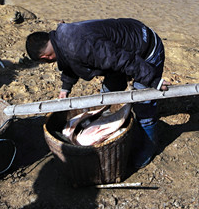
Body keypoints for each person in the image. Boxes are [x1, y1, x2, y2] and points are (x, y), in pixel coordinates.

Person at [26, 18, 169, 167]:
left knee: (144, 106)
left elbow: (120, 59)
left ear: (45, 58)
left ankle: (148, 148)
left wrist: (152, 79)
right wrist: (66, 88)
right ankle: (112, 123)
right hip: (120, 50)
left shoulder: (81, 46)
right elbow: (69, 60)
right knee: (107, 95)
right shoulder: (62, 37)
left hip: (146, 49)